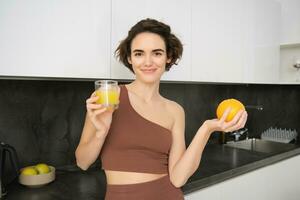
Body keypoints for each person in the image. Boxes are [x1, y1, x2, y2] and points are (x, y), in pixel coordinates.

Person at [75, 18, 248, 200]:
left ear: (168, 57)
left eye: (157, 53)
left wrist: (207, 129)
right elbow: (82, 162)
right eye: (139, 53)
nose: (148, 62)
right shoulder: (109, 97)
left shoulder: (175, 110)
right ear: (129, 58)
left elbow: (178, 178)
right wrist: (101, 132)